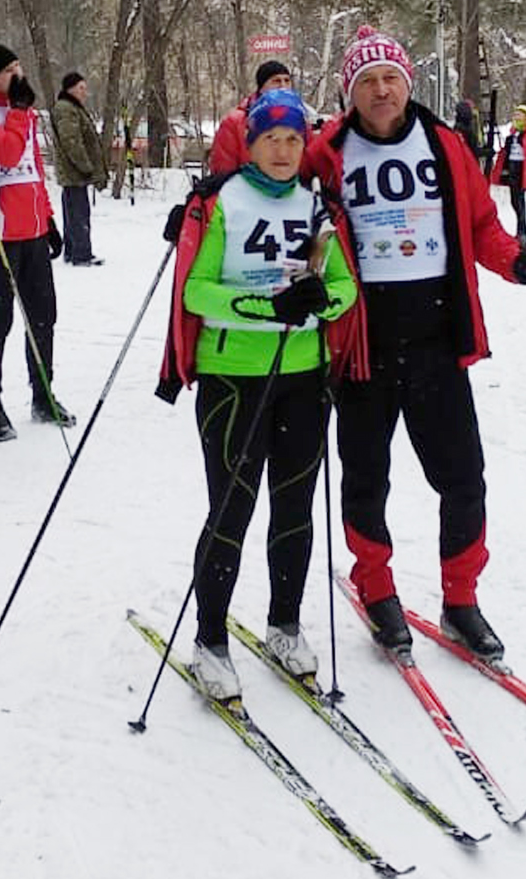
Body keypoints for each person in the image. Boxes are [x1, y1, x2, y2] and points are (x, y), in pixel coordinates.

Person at [304, 25, 526, 662]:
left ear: (407, 82)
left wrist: (517, 261)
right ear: (350, 91)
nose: (381, 89)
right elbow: (269, 177)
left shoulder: (444, 144)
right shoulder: (325, 151)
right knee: (367, 478)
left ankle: (461, 599)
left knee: (462, 477)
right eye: (367, 81)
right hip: (361, 344)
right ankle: (377, 588)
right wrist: (210, 199)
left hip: (436, 339)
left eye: (390, 77)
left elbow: (481, 226)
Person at [157, 89, 359, 700]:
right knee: (232, 509)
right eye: (271, 138)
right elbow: (197, 292)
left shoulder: (318, 206)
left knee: (294, 507)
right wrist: (266, 306)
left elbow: (346, 287)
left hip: (303, 376)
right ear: (251, 144)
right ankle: (210, 639)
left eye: (294, 139)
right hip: (232, 378)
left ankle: (284, 623)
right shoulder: (223, 202)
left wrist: (319, 300)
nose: (282, 149)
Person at [0, 43, 72, 440]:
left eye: (19, 68)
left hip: (33, 228)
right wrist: (19, 113)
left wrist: (50, 217)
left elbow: (33, 166)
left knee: (43, 316)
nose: (18, 77)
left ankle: (43, 394)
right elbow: (5, 153)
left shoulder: (22, 112)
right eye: (10, 71)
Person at [50, 70, 109, 265]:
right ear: (70, 89)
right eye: (81, 88)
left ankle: (73, 250)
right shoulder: (66, 109)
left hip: (74, 173)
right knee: (78, 213)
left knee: (74, 212)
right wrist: (86, 167)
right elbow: (72, 141)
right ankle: (81, 253)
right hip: (74, 172)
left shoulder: (73, 108)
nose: (85, 92)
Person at [207, 59, 293, 175]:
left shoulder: (299, 121)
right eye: (276, 81)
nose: (283, 86)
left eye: (287, 81)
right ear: (262, 88)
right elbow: (223, 172)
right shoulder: (234, 123)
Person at [487, 104, 526, 239]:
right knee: (514, 200)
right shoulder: (513, 134)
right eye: (515, 116)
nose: (516, 118)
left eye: (519, 116)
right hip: (513, 169)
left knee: (519, 200)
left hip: (523, 170)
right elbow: (505, 153)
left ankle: (522, 231)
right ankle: (521, 229)